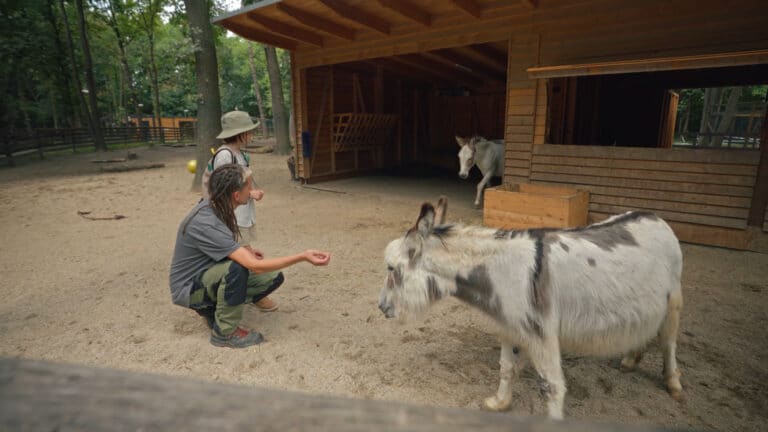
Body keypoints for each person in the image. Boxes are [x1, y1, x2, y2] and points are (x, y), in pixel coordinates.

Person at [172, 164, 331, 348]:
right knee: (238, 269)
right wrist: (303, 256)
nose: (252, 190)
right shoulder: (206, 221)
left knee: (272, 278)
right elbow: (253, 265)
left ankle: (212, 310)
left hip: (206, 275)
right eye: (248, 186)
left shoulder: (218, 205)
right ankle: (225, 332)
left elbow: (220, 244)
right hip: (189, 289)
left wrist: (242, 249)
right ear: (236, 195)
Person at [210, 110, 277, 312]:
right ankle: (256, 294)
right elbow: (224, 187)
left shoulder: (238, 153)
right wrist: (249, 194)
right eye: (247, 131)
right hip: (234, 216)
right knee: (242, 256)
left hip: (242, 213)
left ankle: (254, 292)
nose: (250, 135)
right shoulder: (225, 154)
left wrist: (251, 192)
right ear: (238, 133)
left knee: (245, 253)